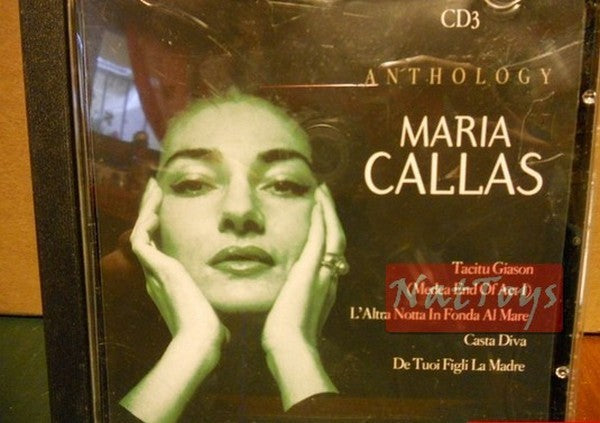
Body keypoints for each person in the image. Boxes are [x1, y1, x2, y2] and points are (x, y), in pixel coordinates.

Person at [119, 92, 349, 422]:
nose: (240, 211)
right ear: (151, 214)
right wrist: (190, 349)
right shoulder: (100, 363)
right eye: (194, 183)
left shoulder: (383, 384)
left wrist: (294, 350)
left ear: (324, 212)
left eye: (283, 184)